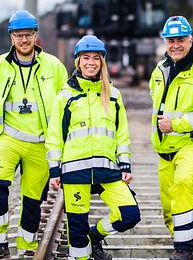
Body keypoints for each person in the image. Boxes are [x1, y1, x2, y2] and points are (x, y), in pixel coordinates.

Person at [0, 10, 68, 259]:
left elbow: (66, 105)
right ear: (11, 37)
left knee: (32, 200)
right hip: (7, 139)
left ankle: (27, 246)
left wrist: (57, 144)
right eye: (19, 35)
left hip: (40, 143)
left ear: (36, 35)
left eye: (28, 35)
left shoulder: (54, 67)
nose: (24, 40)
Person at [46, 35, 140, 260]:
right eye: (86, 57)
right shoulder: (65, 97)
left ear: (102, 61)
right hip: (75, 172)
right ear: (78, 61)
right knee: (76, 234)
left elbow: (122, 134)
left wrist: (125, 164)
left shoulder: (114, 95)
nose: (91, 62)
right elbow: (54, 136)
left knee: (129, 214)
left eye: (96, 58)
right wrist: (54, 170)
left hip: (107, 171)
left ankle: (95, 235)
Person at [149, 16, 193, 260]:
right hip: (165, 146)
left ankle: (185, 248)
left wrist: (176, 125)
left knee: (182, 183)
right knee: (168, 205)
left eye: (181, 40)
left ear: (191, 39)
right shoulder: (160, 70)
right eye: (171, 40)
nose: (176, 45)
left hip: (192, 142)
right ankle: (181, 237)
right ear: (165, 42)